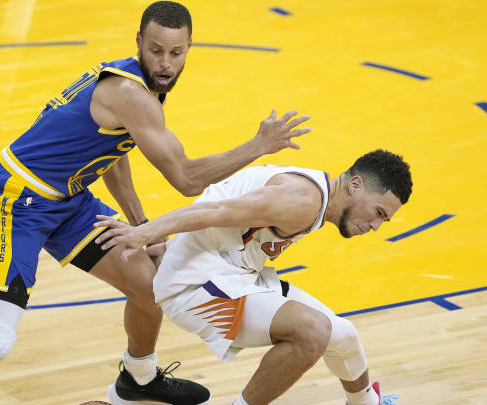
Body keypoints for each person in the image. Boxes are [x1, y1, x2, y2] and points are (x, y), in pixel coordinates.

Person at [0, 2, 312, 405]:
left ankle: (137, 378)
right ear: (137, 42)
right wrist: (258, 145)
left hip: (66, 199)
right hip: (14, 199)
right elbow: (185, 180)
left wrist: (141, 228)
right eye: (156, 50)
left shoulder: (137, 92)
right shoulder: (132, 95)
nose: (165, 62)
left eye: (176, 53)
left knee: (147, 281)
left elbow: (111, 155)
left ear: (188, 51)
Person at [93, 150, 412, 405]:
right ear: (355, 185)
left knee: (343, 335)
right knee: (313, 332)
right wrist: (144, 233)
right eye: (379, 213)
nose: (375, 226)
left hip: (230, 272)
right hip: (194, 286)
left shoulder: (315, 195)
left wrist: (169, 244)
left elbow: (219, 216)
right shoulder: (301, 200)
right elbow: (215, 210)